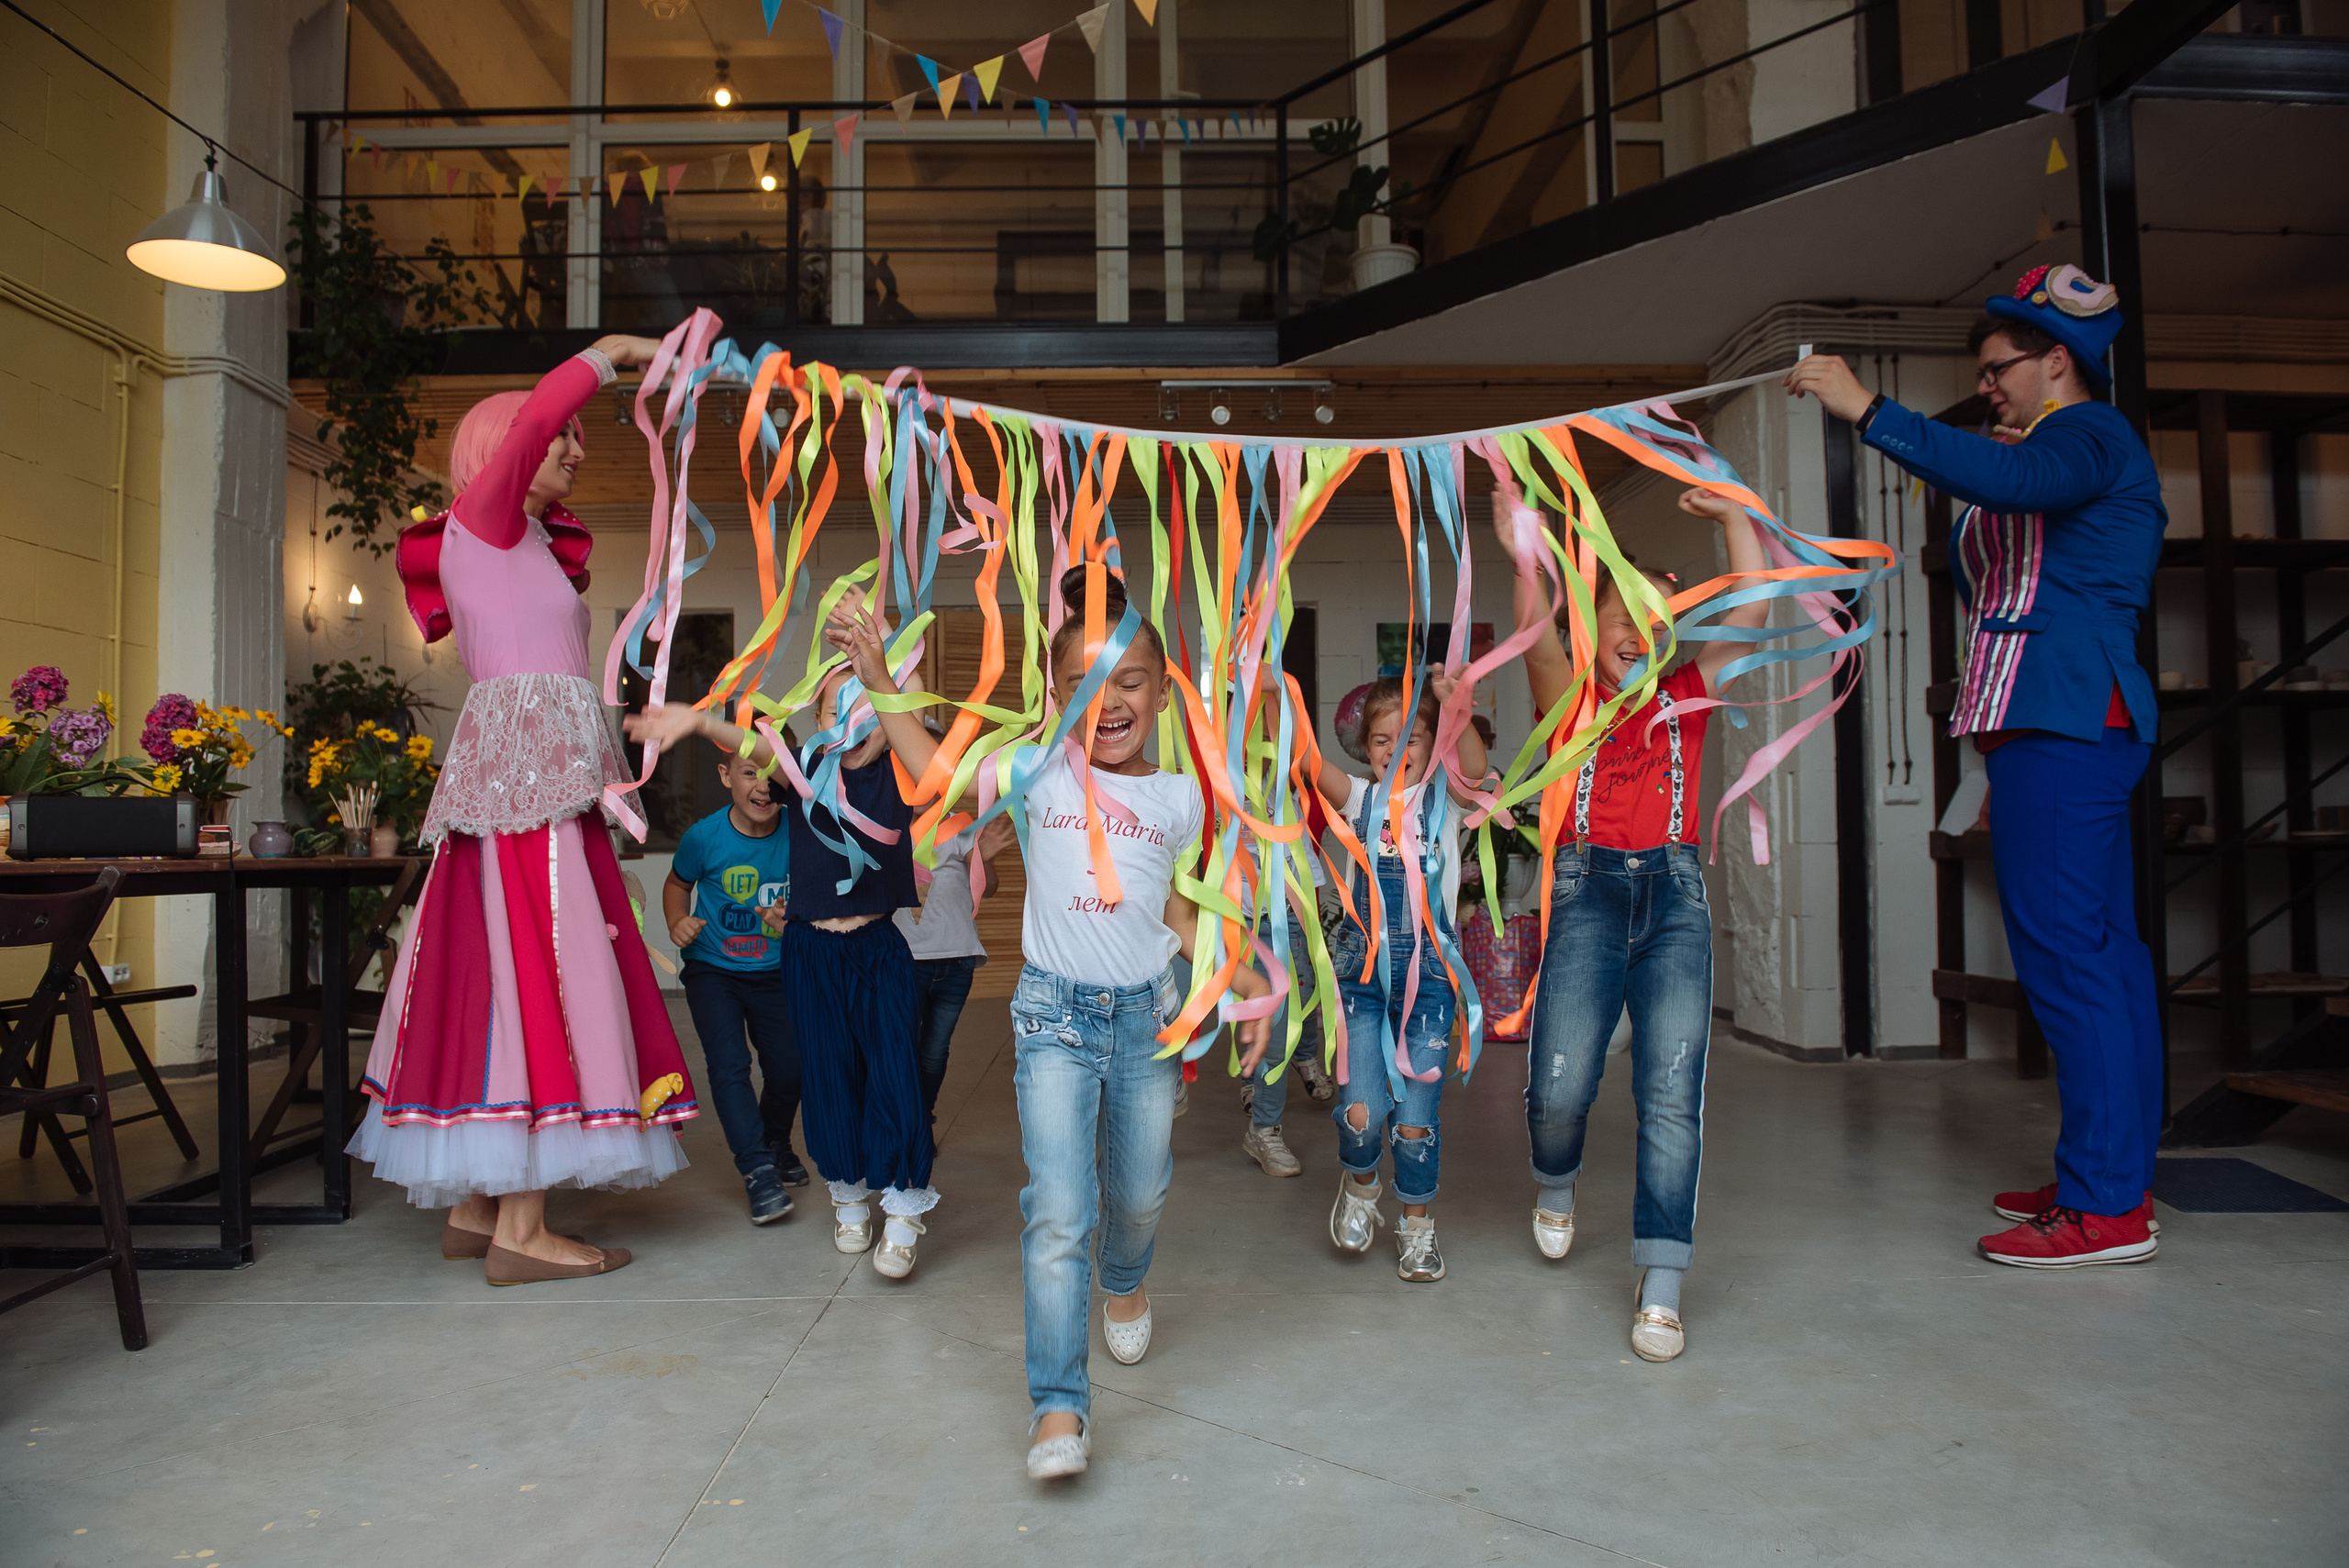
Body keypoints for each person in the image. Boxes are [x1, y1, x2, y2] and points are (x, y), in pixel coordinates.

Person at [829, 566, 1272, 1483]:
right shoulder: (1034, 766)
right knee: (1059, 1210)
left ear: (1158, 687)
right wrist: (876, 669)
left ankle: (1126, 1277)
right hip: (1052, 1020)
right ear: (1055, 693)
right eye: (1081, 682)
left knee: (1140, 1193)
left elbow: (1183, 917)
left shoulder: (1180, 797)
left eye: (1129, 679)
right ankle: (1057, 1404)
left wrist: (1236, 985)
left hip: (1147, 1021)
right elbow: (934, 771)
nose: (1106, 701)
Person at [1787, 263, 2165, 1271]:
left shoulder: (2088, 435)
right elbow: (2008, 504)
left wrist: (1867, 408)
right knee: (2106, 956)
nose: (1987, 385)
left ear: (2056, 361)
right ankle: (2114, 1172)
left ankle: (2105, 1207)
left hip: (2065, 719)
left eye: (2000, 370)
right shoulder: (2049, 446)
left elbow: (2017, 487)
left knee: (2070, 961)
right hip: (2047, 725)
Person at [351, 335, 697, 1285]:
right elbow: (543, 411)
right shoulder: (487, 520)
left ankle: (475, 1203)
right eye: (560, 441)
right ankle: (523, 1228)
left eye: (581, 439)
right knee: (543, 963)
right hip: (527, 786)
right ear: (505, 450)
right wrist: (609, 354)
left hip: (529, 778)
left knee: (496, 964)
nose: (576, 450)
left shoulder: (521, 539)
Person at [1505, 482, 1769, 1360]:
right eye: (1625, 615)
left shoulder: (1689, 691)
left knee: (1671, 1093)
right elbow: (1535, 629)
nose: (1643, 633)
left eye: (1660, 621)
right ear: (1595, 626)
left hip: (1676, 902)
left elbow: (1753, 615)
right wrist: (1524, 552)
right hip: (1588, 894)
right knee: (1559, 1082)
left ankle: (1661, 1283)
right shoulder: (1569, 697)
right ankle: (1555, 1176)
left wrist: (1735, 520)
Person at [629, 659, 941, 1280]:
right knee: (826, 1075)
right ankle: (849, 1195)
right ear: (813, 725)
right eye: (833, 709)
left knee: (894, 1074)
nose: (850, 722)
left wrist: (883, 677)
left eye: (866, 708)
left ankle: (904, 1212)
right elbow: (751, 743)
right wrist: (695, 721)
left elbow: (918, 740)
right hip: (809, 952)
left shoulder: (902, 773)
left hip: (877, 950)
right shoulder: (804, 776)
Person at [1308, 672, 1487, 1283]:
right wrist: (1273, 690)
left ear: (1433, 744)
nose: (1396, 749)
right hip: (1363, 982)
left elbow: (1475, 763)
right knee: (1361, 1113)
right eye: (1382, 739)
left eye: (1411, 737)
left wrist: (1457, 702)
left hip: (1431, 988)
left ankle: (1416, 1225)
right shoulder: (1360, 799)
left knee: (1414, 1122)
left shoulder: (1448, 801)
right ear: (1365, 748)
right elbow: (1307, 761)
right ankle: (1361, 1184)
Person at [666, 745, 805, 1226]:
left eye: (771, 775)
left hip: (777, 970)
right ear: (726, 776)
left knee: (791, 1071)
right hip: (713, 970)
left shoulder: (800, 832)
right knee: (730, 1066)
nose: (762, 786)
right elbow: (677, 884)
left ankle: (776, 1140)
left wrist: (795, 919)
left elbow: (817, 893)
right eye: (750, 773)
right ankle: (758, 1170)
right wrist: (676, 921)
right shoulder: (703, 837)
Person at [895, 807, 1017, 1120]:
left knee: (935, 1051)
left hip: (957, 961)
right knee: (900, 1048)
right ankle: (902, 1122)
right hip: (904, 962)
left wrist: (984, 858)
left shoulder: (958, 825)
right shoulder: (885, 824)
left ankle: (922, 1119)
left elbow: (988, 888)